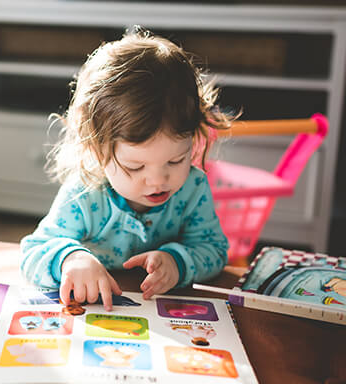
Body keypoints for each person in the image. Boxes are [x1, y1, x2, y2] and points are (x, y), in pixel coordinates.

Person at [20, 29, 234, 311]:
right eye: (135, 166)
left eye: (176, 160)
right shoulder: (84, 193)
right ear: (96, 151)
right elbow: (33, 251)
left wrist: (177, 262)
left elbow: (215, 251)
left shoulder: (192, 189)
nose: (159, 180)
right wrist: (71, 259)